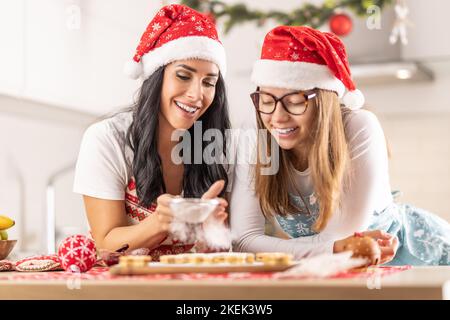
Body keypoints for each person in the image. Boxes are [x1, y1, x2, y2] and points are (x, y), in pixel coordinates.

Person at [231, 25, 450, 265]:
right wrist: (333, 248)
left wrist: (285, 249)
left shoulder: (359, 127)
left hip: (417, 257)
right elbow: (243, 240)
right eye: (266, 100)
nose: (278, 116)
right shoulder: (255, 134)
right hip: (335, 268)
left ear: (324, 101)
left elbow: (340, 239)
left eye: (294, 102)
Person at [73, 4, 232, 261]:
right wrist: (159, 223)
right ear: (156, 76)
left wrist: (212, 232)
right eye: (183, 76)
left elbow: (219, 255)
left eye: (209, 82)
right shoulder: (107, 139)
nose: (197, 95)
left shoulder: (217, 145)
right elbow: (105, 244)